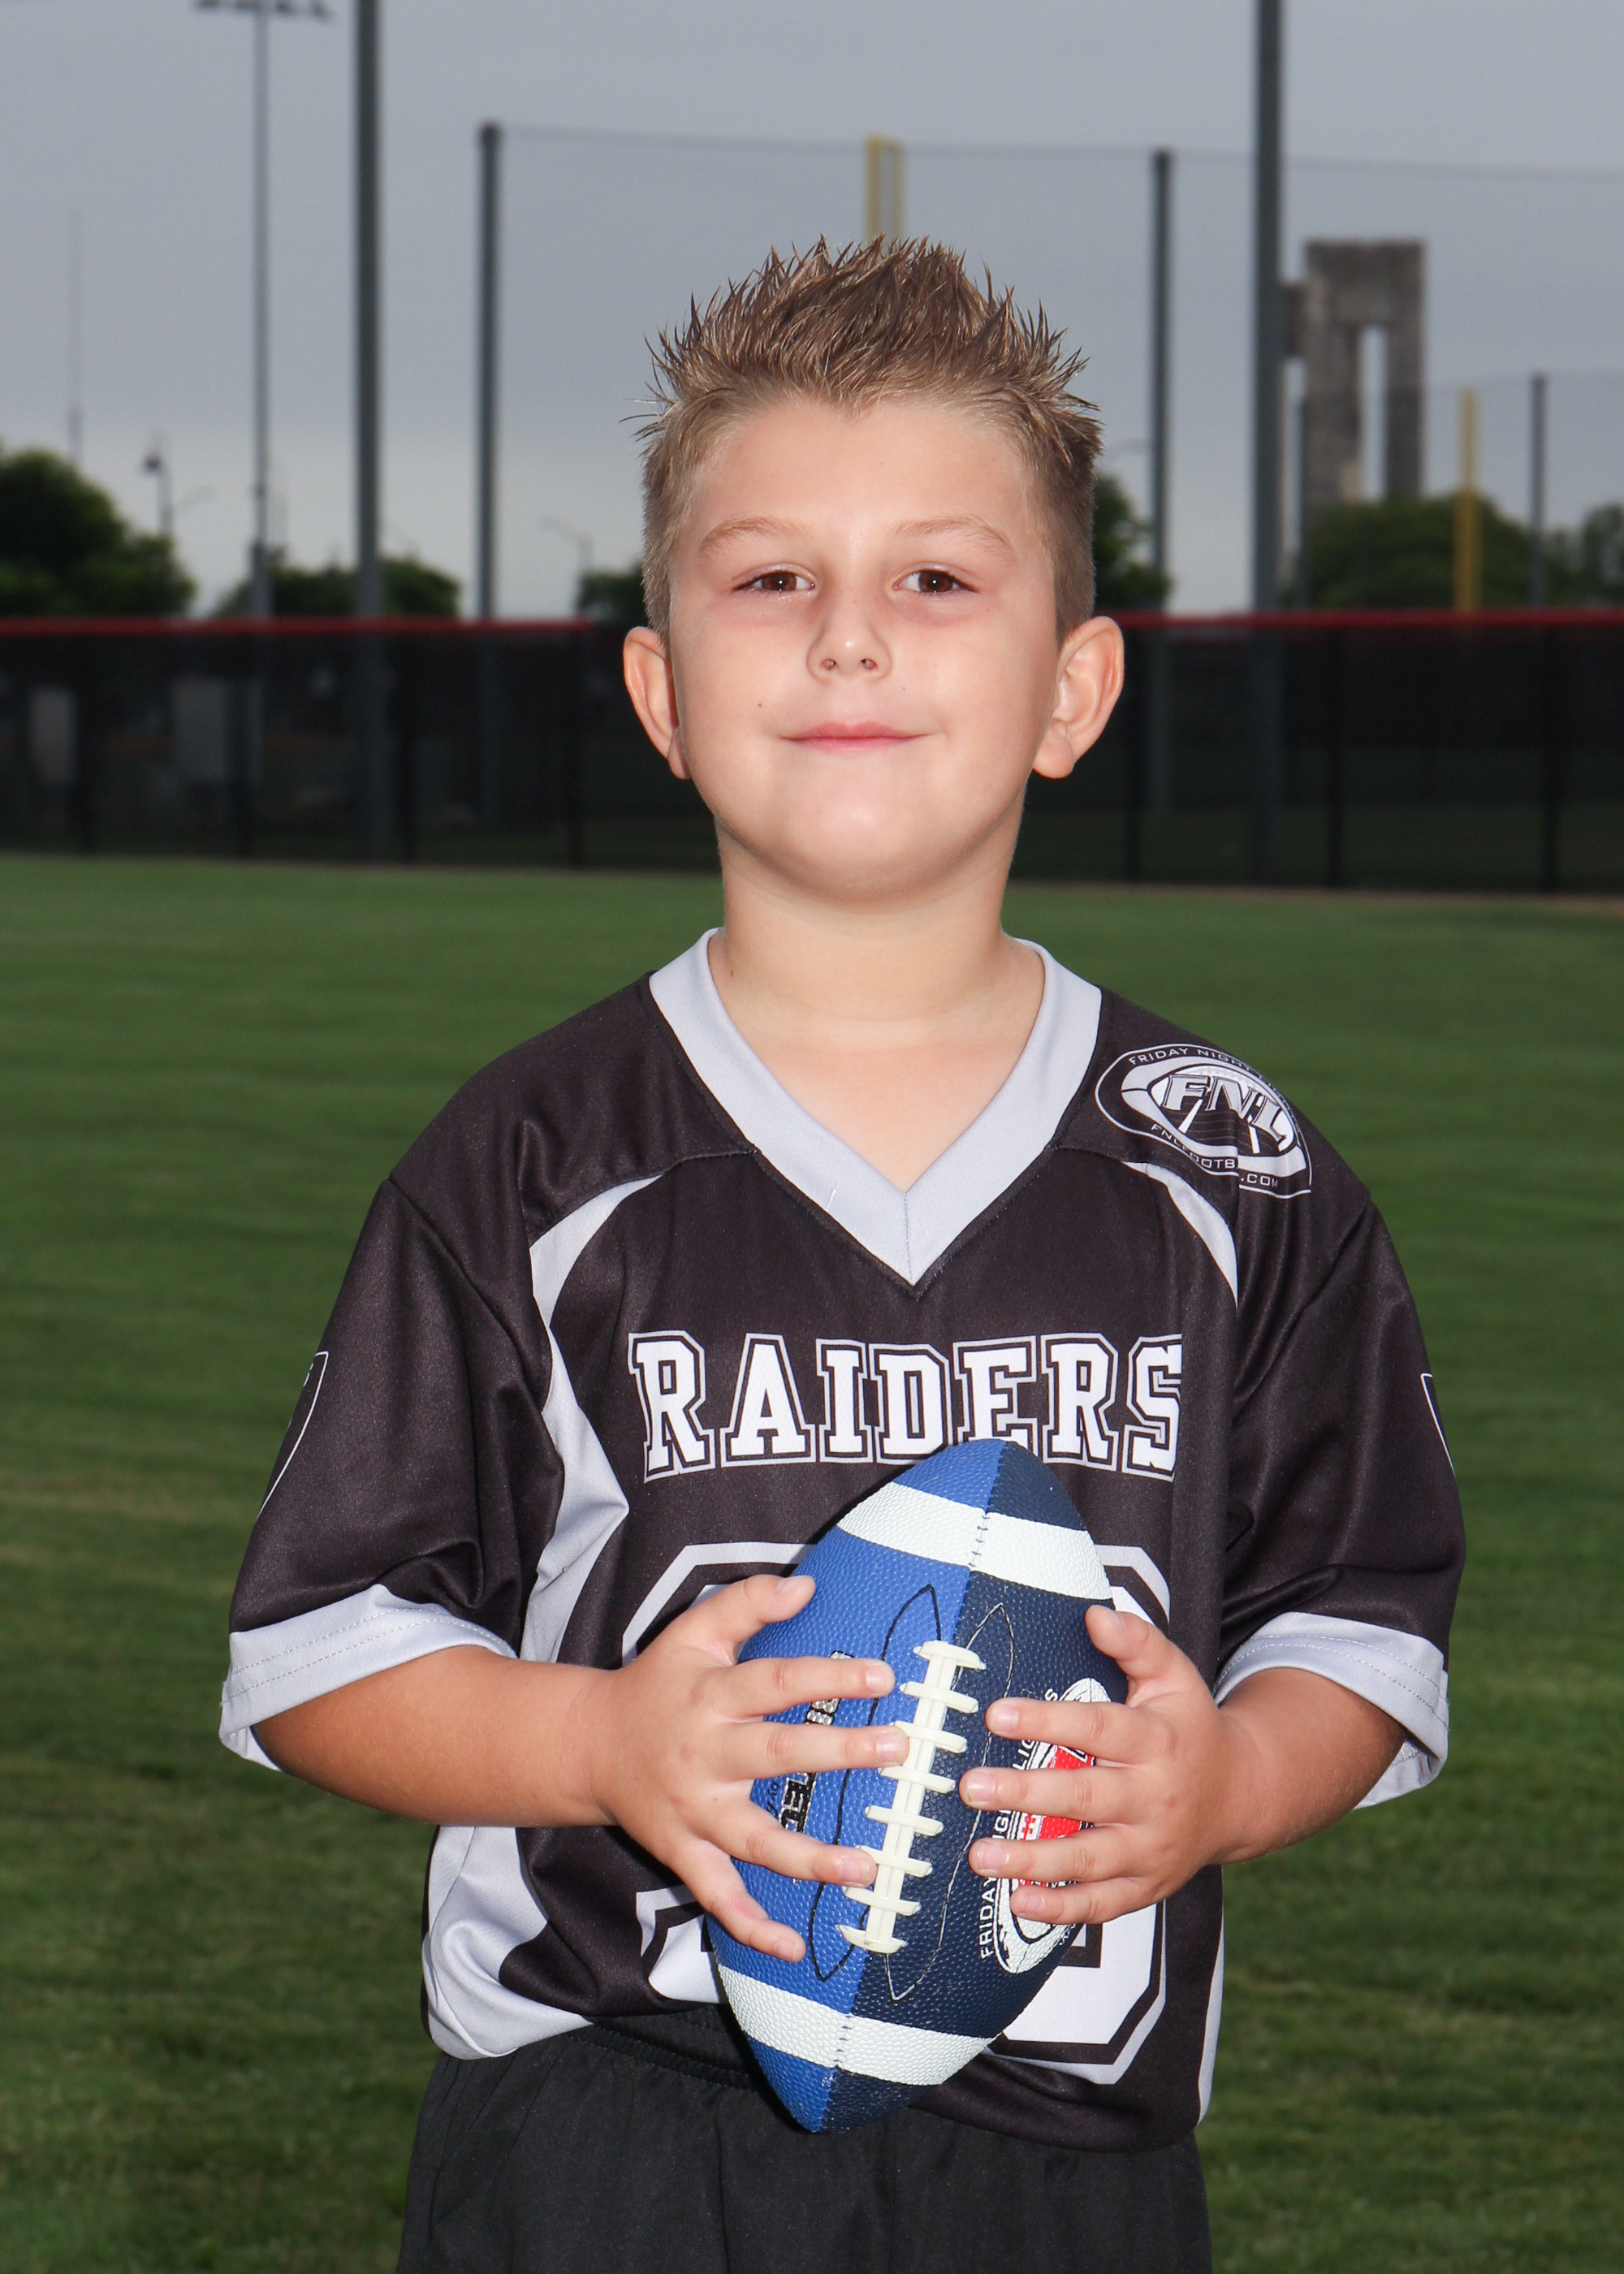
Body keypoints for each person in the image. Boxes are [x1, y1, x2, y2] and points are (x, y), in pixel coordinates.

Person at [220, 239, 1463, 2274]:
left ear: (1072, 688)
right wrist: (598, 1740)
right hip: (611, 2130)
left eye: (938, 578)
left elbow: (1362, 1610)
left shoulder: (1227, 1171)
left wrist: (1232, 1773)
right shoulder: (533, 1161)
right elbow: (318, 1650)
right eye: (773, 576)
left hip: (1070, 2156)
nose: (851, 639)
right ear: (661, 691)